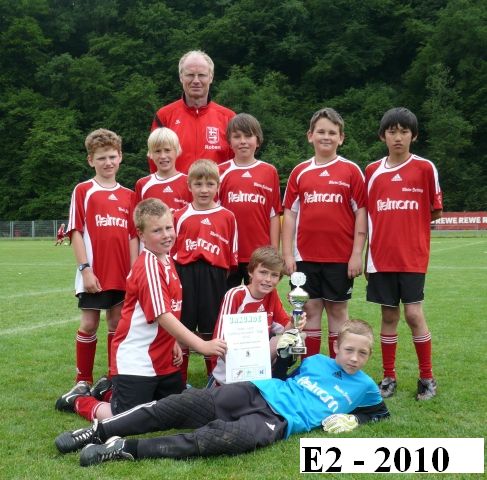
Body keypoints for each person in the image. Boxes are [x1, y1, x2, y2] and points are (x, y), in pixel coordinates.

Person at [54, 319, 390, 466]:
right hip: (257, 391)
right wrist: (282, 353)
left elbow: (378, 413)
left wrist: (354, 420)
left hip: (278, 421)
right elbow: (284, 377)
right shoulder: (315, 361)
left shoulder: (366, 387)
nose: (354, 358)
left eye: (362, 354)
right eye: (349, 350)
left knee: (217, 440)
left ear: (370, 356)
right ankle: (98, 432)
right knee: (179, 406)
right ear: (336, 346)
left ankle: (122, 449)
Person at [55, 198, 227, 421]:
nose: (166, 235)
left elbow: (170, 308)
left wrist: (173, 341)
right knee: (127, 418)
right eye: (157, 230)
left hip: (163, 361)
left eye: (169, 227)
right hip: (137, 361)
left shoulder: (167, 259)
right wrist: (202, 345)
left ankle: (108, 391)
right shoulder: (149, 266)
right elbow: (163, 316)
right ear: (141, 235)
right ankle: (79, 400)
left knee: (175, 411)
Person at [55, 129, 138, 409]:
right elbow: (76, 231)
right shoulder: (84, 190)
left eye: (112, 156)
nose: (108, 162)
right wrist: (85, 269)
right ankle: (83, 380)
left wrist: (133, 272)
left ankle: (113, 378)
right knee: (89, 323)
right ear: (91, 160)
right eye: (101, 158)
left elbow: (133, 237)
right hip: (94, 272)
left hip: (122, 273)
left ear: (121, 157)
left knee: (116, 324)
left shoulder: (129, 195)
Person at [365, 107, 443, 401]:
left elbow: (435, 211)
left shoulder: (425, 168)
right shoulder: (372, 171)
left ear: (414, 136)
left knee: (413, 314)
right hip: (380, 257)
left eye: (404, 131)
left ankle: (427, 377)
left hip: (412, 256)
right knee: (388, 315)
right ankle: (389, 377)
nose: (398, 137)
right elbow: (367, 216)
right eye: (392, 132)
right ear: (382, 136)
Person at [282, 108, 367, 359]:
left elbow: (361, 213)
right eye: (321, 131)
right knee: (309, 309)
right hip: (305, 257)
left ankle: (335, 367)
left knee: (338, 312)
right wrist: (287, 254)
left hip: (340, 258)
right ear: (310, 135)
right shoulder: (300, 172)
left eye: (332, 132)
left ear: (341, 138)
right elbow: (290, 215)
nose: (326, 137)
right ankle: (310, 368)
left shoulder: (351, 171)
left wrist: (357, 254)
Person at [173, 159, 238, 382]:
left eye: (210, 184)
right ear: (189, 186)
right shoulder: (179, 216)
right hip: (185, 274)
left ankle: (214, 379)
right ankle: (178, 381)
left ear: (218, 186)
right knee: (182, 328)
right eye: (198, 184)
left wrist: (219, 278)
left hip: (214, 276)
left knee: (213, 329)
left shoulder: (227, 216)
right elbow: (172, 252)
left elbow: (231, 254)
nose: (204, 190)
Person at [211, 246, 305, 385]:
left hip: (257, 362)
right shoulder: (236, 295)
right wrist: (241, 367)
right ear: (250, 272)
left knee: (294, 338)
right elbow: (220, 340)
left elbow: (286, 329)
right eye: (263, 272)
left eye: (274, 275)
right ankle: (226, 384)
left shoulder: (272, 295)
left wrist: (295, 322)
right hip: (231, 364)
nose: (268, 279)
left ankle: (277, 382)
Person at [218, 113, 282, 288]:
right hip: (227, 254)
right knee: (226, 300)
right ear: (229, 141)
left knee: (257, 301)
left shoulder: (269, 172)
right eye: (237, 136)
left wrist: (274, 251)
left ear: (258, 140)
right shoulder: (219, 172)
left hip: (259, 255)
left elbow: (274, 214)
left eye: (248, 136)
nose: (243, 141)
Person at [150, 50, 235, 174]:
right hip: (175, 187)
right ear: (181, 77)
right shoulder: (164, 116)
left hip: (217, 187)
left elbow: (237, 163)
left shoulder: (229, 118)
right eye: (190, 75)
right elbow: (154, 159)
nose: (196, 80)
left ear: (211, 77)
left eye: (202, 75)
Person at [135, 127, 192, 213]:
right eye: (157, 151)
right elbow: (138, 218)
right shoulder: (142, 184)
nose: (163, 156)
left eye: (167, 150)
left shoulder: (189, 183)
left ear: (177, 151)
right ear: (151, 154)